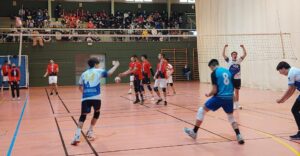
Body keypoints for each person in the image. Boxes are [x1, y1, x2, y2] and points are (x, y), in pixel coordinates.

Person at [184, 59, 245, 145]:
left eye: (210, 68)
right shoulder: (228, 72)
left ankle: (194, 132)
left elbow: (214, 90)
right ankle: (239, 135)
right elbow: (232, 88)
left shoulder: (214, 73)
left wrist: (208, 94)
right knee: (231, 117)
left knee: (202, 110)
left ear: (212, 66)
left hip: (219, 97)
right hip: (229, 98)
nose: (211, 70)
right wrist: (235, 103)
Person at [71, 58, 119, 145]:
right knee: (97, 113)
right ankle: (90, 130)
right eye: (98, 64)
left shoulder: (83, 74)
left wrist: (85, 93)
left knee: (83, 116)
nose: (99, 65)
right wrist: (115, 65)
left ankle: (77, 136)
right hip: (96, 97)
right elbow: (109, 73)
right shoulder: (98, 71)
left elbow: (80, 87)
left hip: (85, 98)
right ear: (96, 64)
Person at [276, 61, 300, 140]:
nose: (280, 74)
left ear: (283, 68)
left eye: (280, 71)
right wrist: (284, 100)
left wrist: (281, 99)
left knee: (295, 110)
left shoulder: (291, 73)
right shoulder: (293, 71)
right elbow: (292, 89)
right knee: (295, 109)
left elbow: (289, 89)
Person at [222, 44, 247, 110]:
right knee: (231, 92)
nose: (234, 55)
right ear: (231, 56)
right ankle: (233, 105)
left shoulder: (239, 60)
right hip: (231, 79)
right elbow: (223, 55)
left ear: (236, 55)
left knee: (237, 92)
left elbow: (245, 54)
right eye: (233, 54)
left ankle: (237, 105)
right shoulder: (229, 61)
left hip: (238, 79)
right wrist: (225, 47)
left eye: (235, 54)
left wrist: (243, 47)